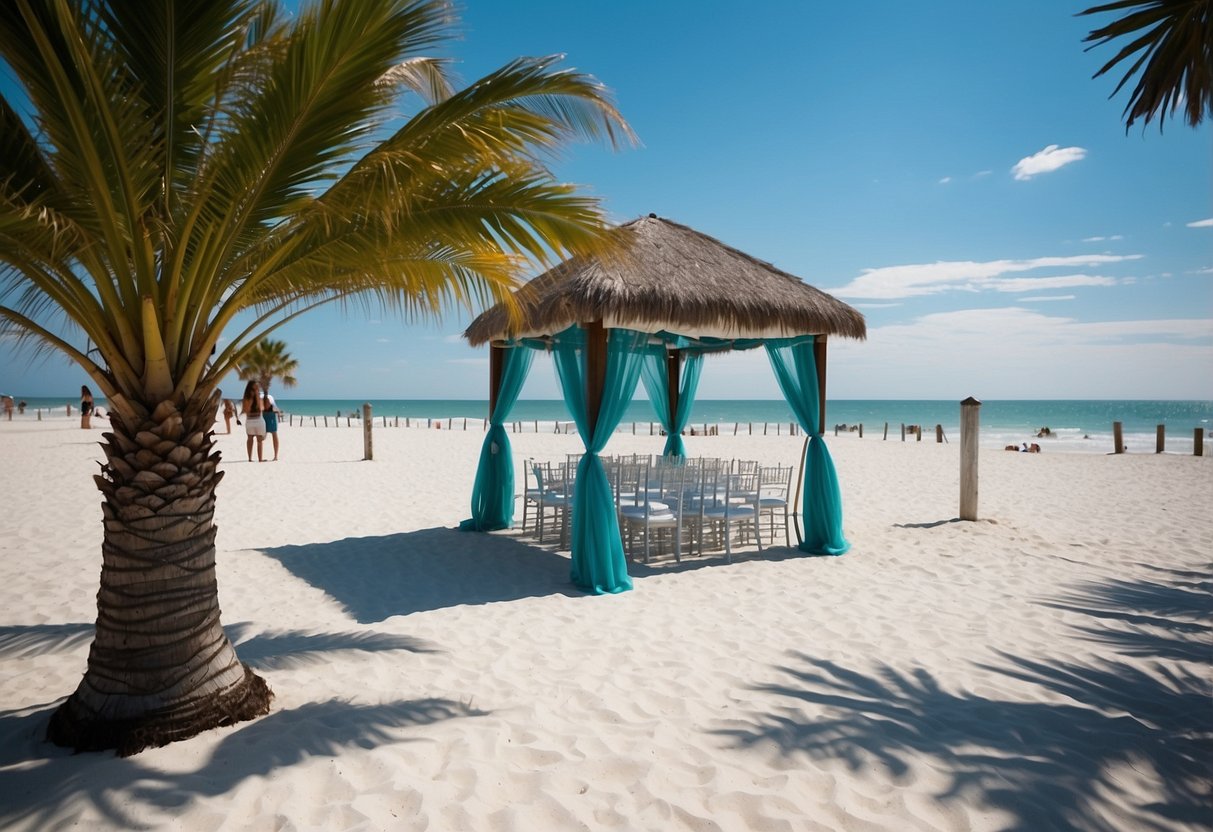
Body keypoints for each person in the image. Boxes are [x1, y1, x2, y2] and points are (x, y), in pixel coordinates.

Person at [241, 380, 266, 462]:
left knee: (259, 440)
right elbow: (246, 410)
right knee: (250, 438)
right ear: (250, 388)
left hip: (258, 419)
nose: (257, 388)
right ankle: (250, 458)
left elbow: (261, 408)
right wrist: (251, 399)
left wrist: (256, 396)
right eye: (255, 387)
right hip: (250, 420)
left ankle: (260, 459)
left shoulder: (258, 395)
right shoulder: (246, 397)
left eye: (257, 387)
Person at [262, 389, 280, 461]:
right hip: (265, 422)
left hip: (271, 422)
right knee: (261, 438)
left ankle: (275, 456)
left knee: (274, 436)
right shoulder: (262, 407)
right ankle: (261, 457)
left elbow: (278, 411)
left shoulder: (272, 407)